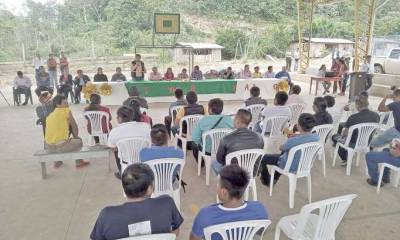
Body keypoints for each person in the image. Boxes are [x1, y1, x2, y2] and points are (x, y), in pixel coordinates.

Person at [90, 163, 183, 240]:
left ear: (125, 189)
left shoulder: (107, 215)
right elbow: (175, 233)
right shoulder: (166, 204)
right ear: (150, 189)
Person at [190, 165, 268, 240]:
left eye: (218, 184)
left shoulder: (205, 216)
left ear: (224, 192)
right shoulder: (260, 210)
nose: (216, 187)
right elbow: (260, 233)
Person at [260, 113, 319, 185]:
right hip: (305, 165)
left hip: (290, 166)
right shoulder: (317, 137)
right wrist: (298, 135)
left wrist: (293, 137)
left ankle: (267, 181)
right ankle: (275, 177)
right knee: (281, 155)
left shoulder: (293, 140)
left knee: (262, 158)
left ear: (299, 126)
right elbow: (306, 137)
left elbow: (281, 148)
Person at [331, 96, 379, 165]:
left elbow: (345, 134)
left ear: (357, 106)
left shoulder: (353, 117)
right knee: (346, 138)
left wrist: (343, 135)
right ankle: (350, 154)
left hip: (353, 143)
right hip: (367, 142)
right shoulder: (376, 115)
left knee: (335, 137)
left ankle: (345, 158)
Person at [44, 95, 89, 168]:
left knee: (63, 136)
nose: (67, 105)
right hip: (61, 147)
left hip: (48, 147)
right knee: (78, 141)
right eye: (65, 103)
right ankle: (79, 162)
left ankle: (57, 162)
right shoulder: (66, 111)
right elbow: (75, 128)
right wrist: (76, 137)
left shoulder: (50, 115)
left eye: (67, 102)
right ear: (58, 105)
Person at [213, 109, 264, 173]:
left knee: (215, 164)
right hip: (251, 172)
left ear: (237, 121)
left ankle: (226, 181)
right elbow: (258, 158)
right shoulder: (259, 138)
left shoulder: (226, 138)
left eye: (234, 118)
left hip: (233, 173)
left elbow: (219, 159)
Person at [107, 106, 151, 179]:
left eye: (117, 116)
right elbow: (151, 142)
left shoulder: (115, 131)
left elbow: (111, 147)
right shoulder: (146, 127)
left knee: (116, 149)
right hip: (143, 159)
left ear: (120, 118)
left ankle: (121, 171)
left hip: (126, 162)